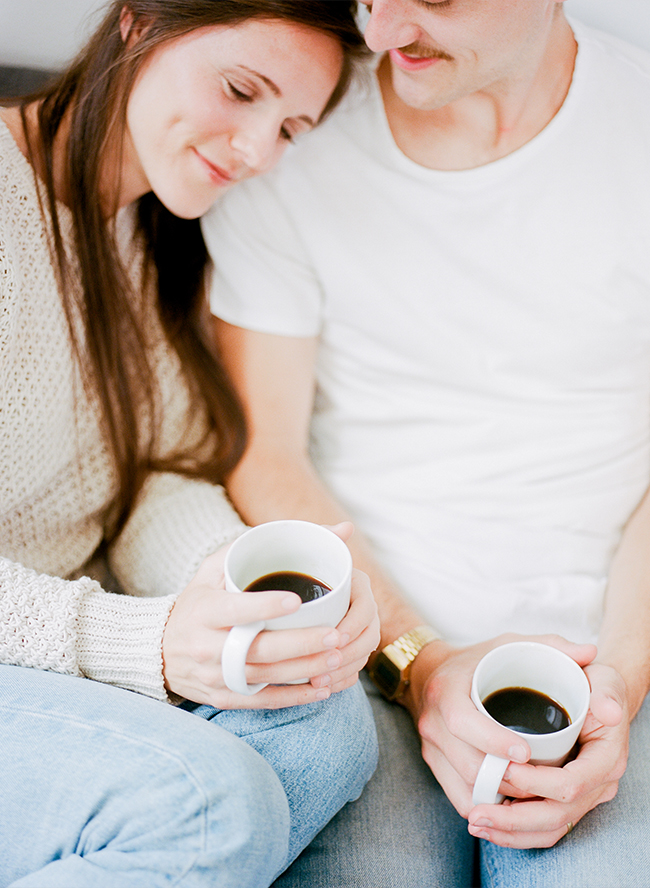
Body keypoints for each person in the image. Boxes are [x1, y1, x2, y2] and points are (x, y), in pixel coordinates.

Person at [201, 0, 650, 885]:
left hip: (609, 675)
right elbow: (265, 453)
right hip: (368, 674)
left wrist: (622, 689)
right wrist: (423, 665)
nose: (379, 32)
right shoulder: (288, 138)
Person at [0, 2, 380, 885]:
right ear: (138, 22)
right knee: (209, 805)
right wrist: (149, 640)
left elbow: (153, 479)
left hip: (50, 653)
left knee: (326, 721)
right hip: (46, 644)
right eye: (241, 90)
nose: (254, 151)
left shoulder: (156, 236)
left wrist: (245, 588)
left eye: (289, 127)